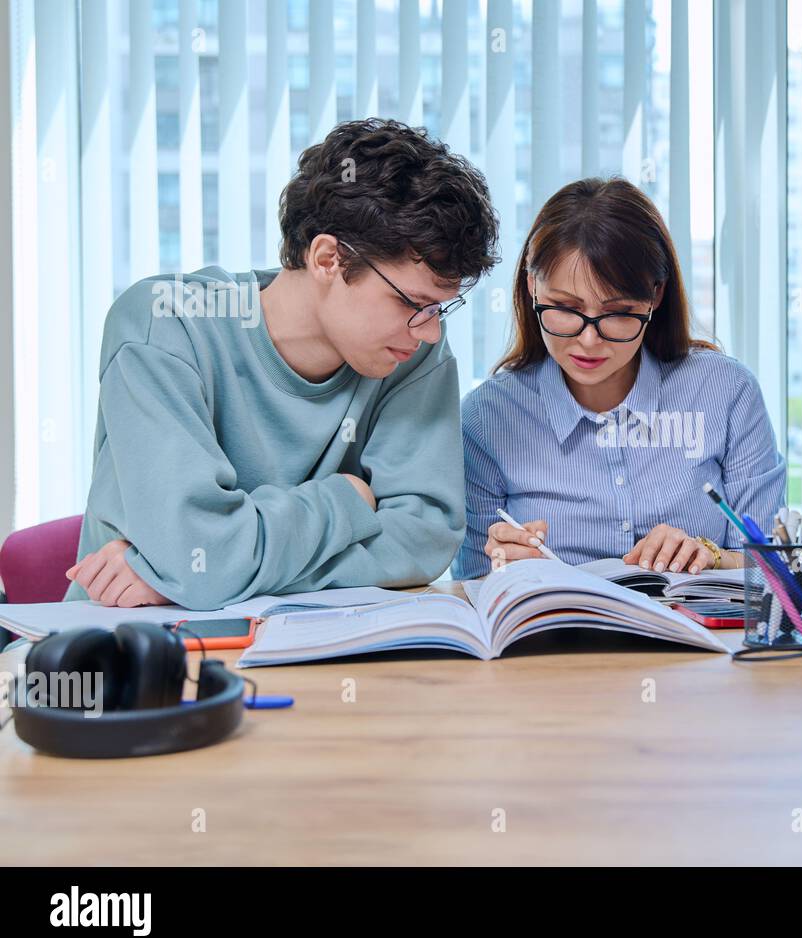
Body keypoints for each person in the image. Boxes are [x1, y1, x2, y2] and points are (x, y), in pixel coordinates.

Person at [66, 118, 500, 609]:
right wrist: (346, 499)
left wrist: (204, 573)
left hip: (320, 655)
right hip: (133, 649)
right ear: (327, 258)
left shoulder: (415, 353)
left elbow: (421, 543)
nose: (431, 331)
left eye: (439, 309)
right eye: (410, 303)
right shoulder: (165, 325)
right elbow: (198, 553)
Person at [453, 177, 785, 579]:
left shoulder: (726, 392)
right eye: (565, 308)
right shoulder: (487, 418)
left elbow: (779, 564)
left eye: (617, 312)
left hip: (700, 639)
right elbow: (473, 582)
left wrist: (710, 555)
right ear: (531, 287)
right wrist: (507, 565)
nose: (588, 340)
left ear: (656, 295)